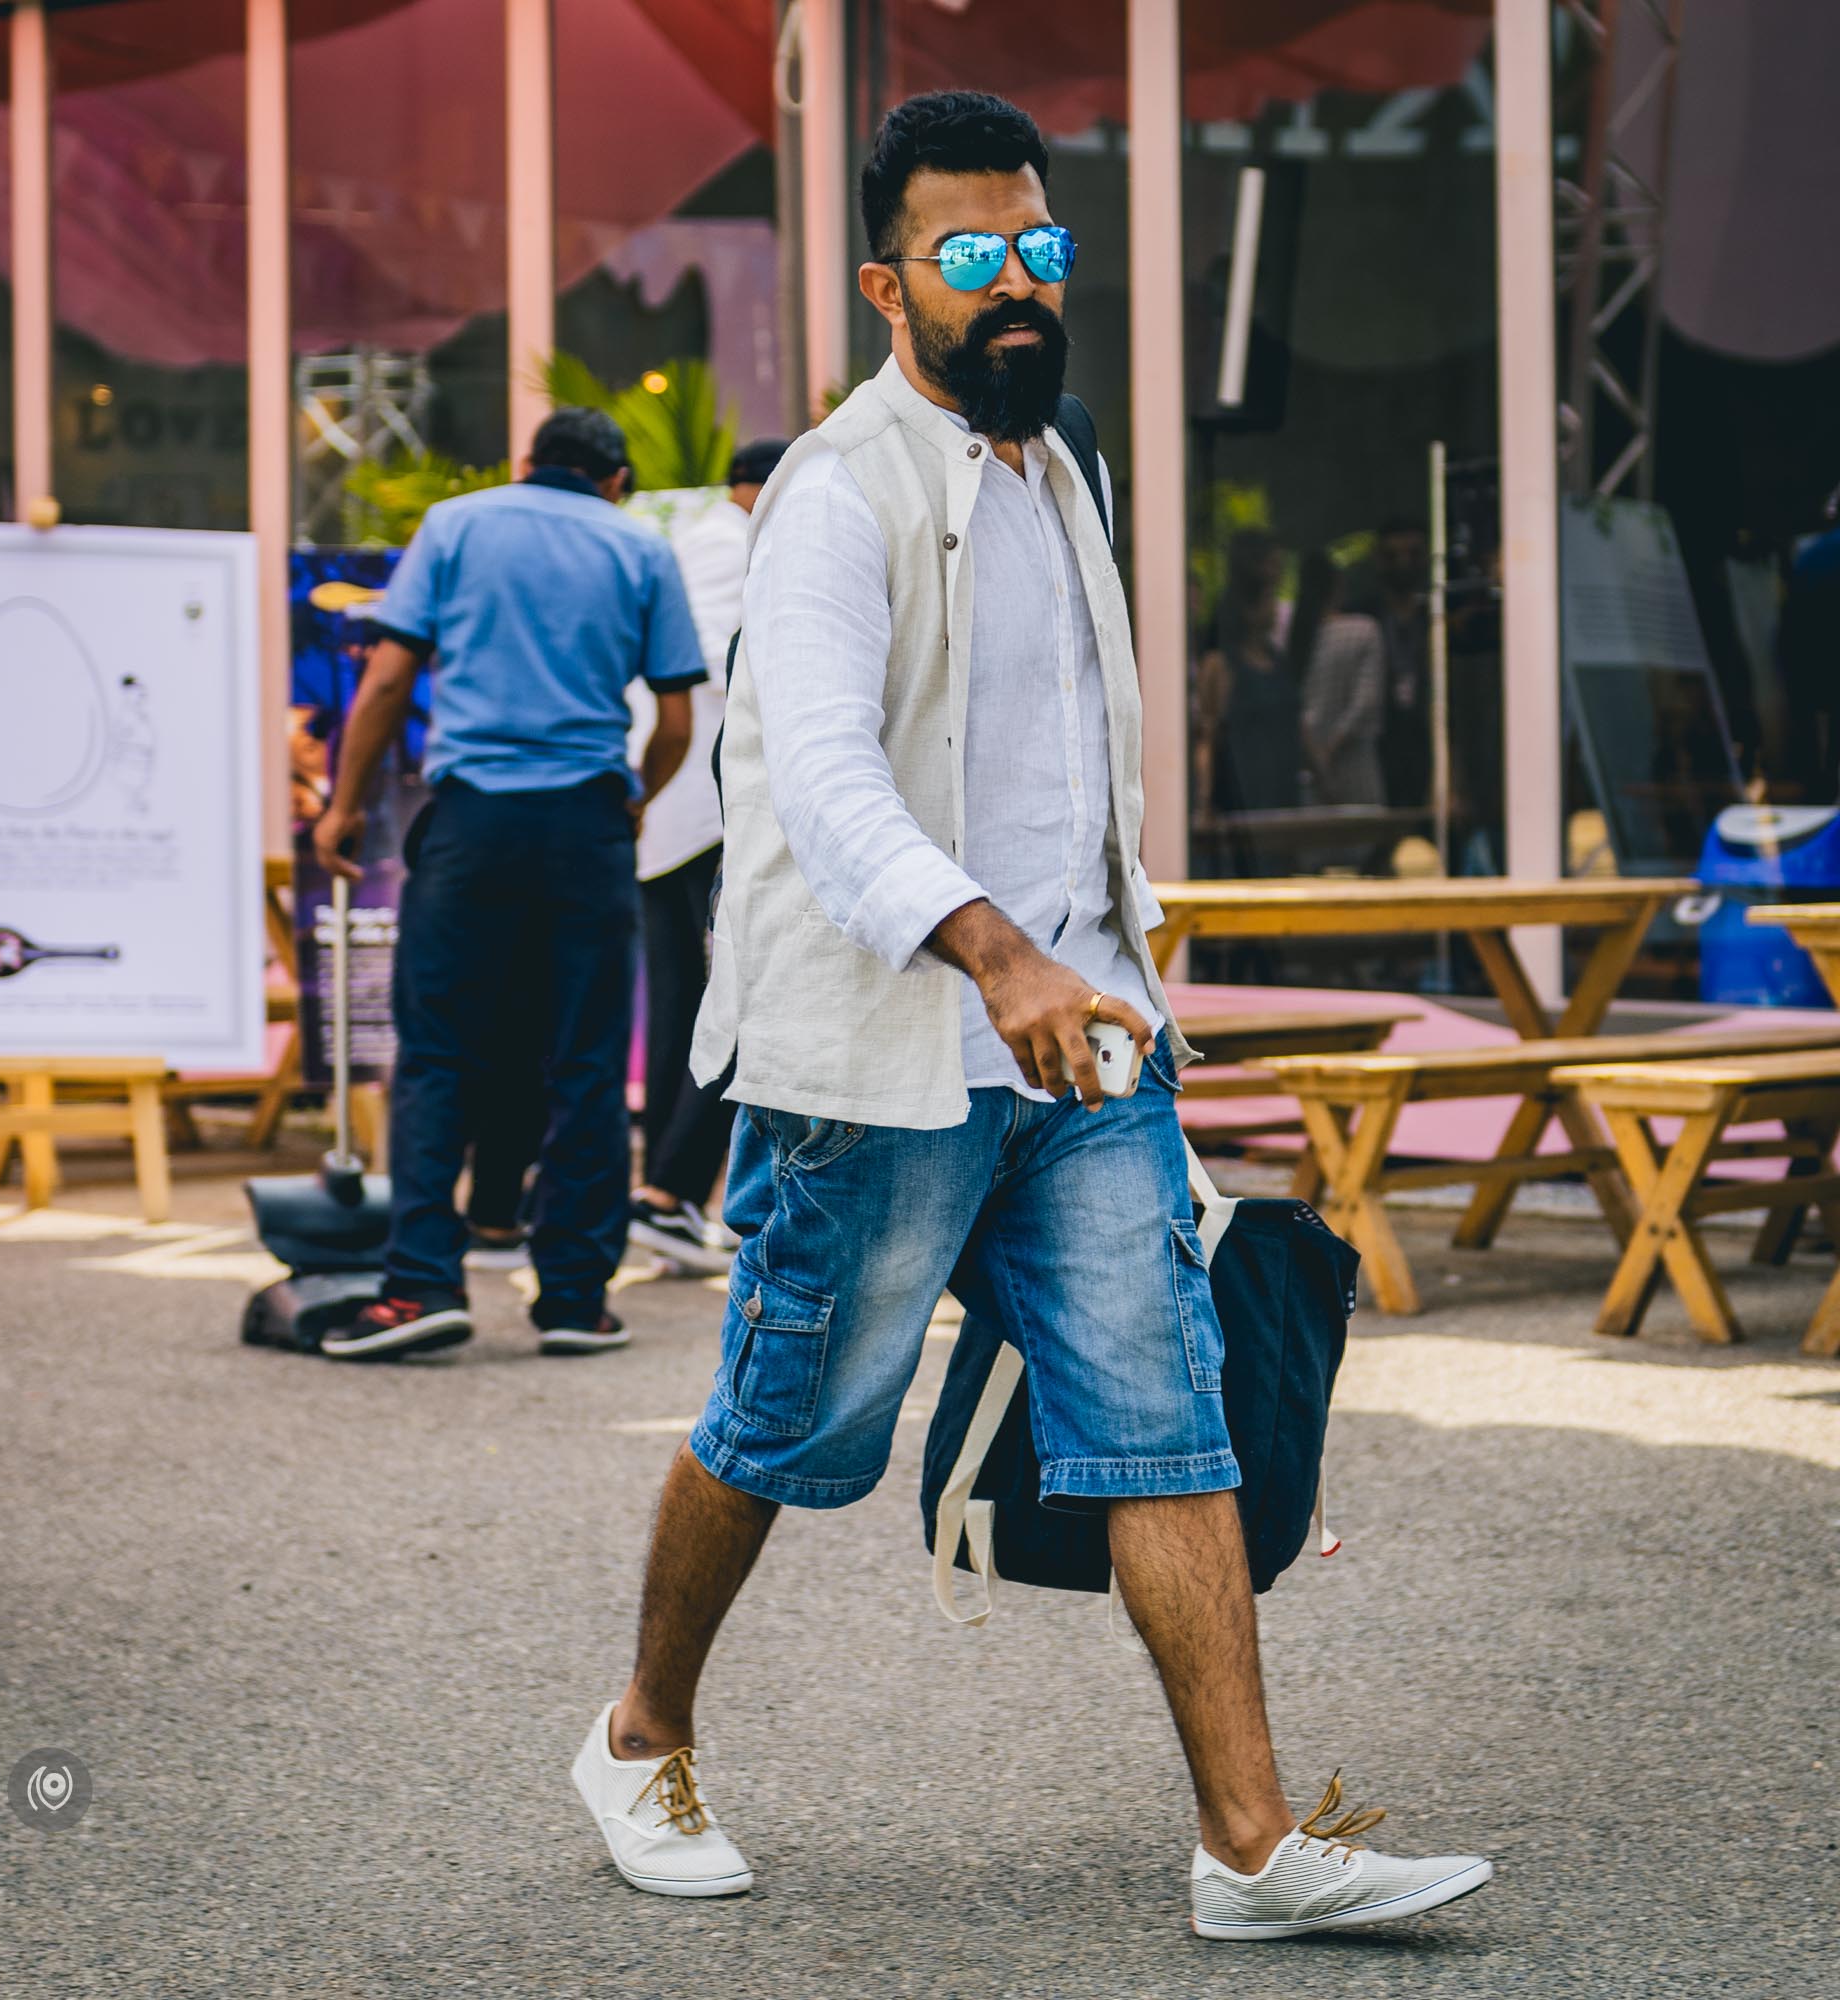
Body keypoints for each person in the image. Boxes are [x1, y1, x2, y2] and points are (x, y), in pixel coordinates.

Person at [569, 90, 1492, 1941]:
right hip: (896, 1058)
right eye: (970, 256)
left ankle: (1250, 1850)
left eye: (1039, 248)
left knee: (1168, 1418)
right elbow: (825, 776)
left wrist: (1111, 952)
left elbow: (1067, 759)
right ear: (884, 284)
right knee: (785, 1422)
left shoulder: (1055, 466)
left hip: (1083, 1054)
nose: (1015, 287)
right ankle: (640, 1733)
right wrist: (998, 953)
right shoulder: (844, 490)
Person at [311, 407, 704, 1361]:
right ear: (615, 479)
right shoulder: (641, 549)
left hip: (472, 827)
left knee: (439, 1053)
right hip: (586, 830)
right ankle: (575, 1299)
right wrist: (635, 803)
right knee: (589, 1062)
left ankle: (420, 1286)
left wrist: (343, 807)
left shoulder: (457, 525)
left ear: (528, 463)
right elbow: (679, 721)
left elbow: (388, 683)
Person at [628, 439, 790, 1274]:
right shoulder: (739, 546)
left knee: (680, 1010)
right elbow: (740, 670)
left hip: (666, 818)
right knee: (734, 1003)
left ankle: (664, 1194)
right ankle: (671, 1191)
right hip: (712, 817)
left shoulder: (689, 541)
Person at [1195, 528, 1298, 817]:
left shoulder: (1278, 660)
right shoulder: (1221, 665)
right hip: (1243, 801)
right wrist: (1203, 806)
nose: (1276, 605)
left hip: (1283, 793)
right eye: (1269, 596)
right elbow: (1209, 735)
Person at [1292, 548, 1387, 808]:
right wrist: (1329, 749)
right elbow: (1365, 704)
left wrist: (1316, 758)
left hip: (1307, 774)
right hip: (1354, 769)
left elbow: (1293, 710)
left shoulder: (1293, 639)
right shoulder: (1364, 631)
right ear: (1338, 587)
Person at [1355, 515, 1431, 809]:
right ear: (1378, 560)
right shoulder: (1361, 617)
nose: (1403, 564)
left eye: (1413, 554)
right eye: (1392, 556)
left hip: (1425, 748)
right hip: (1378, 751)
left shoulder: (1438, 618)